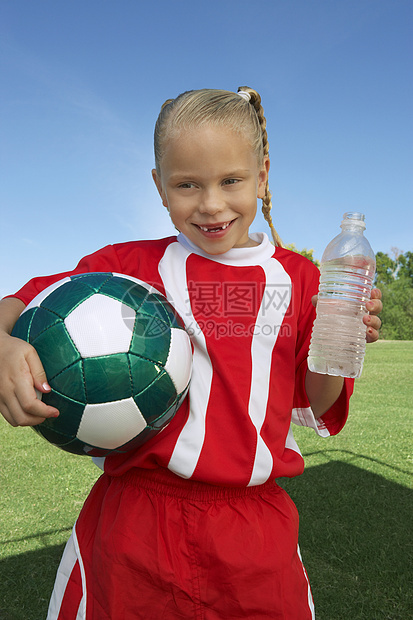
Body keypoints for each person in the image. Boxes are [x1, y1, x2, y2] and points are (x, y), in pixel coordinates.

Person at [0, 87, 382, 619]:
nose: (210, 204)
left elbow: (317, 402)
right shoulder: (124, 267)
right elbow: (21, 304)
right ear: (159, 187)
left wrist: (340, 338)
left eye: (232, 181)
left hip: (253, 530)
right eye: (187, 185)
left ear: (263, 175)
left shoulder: (302, 280)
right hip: (135, 522)